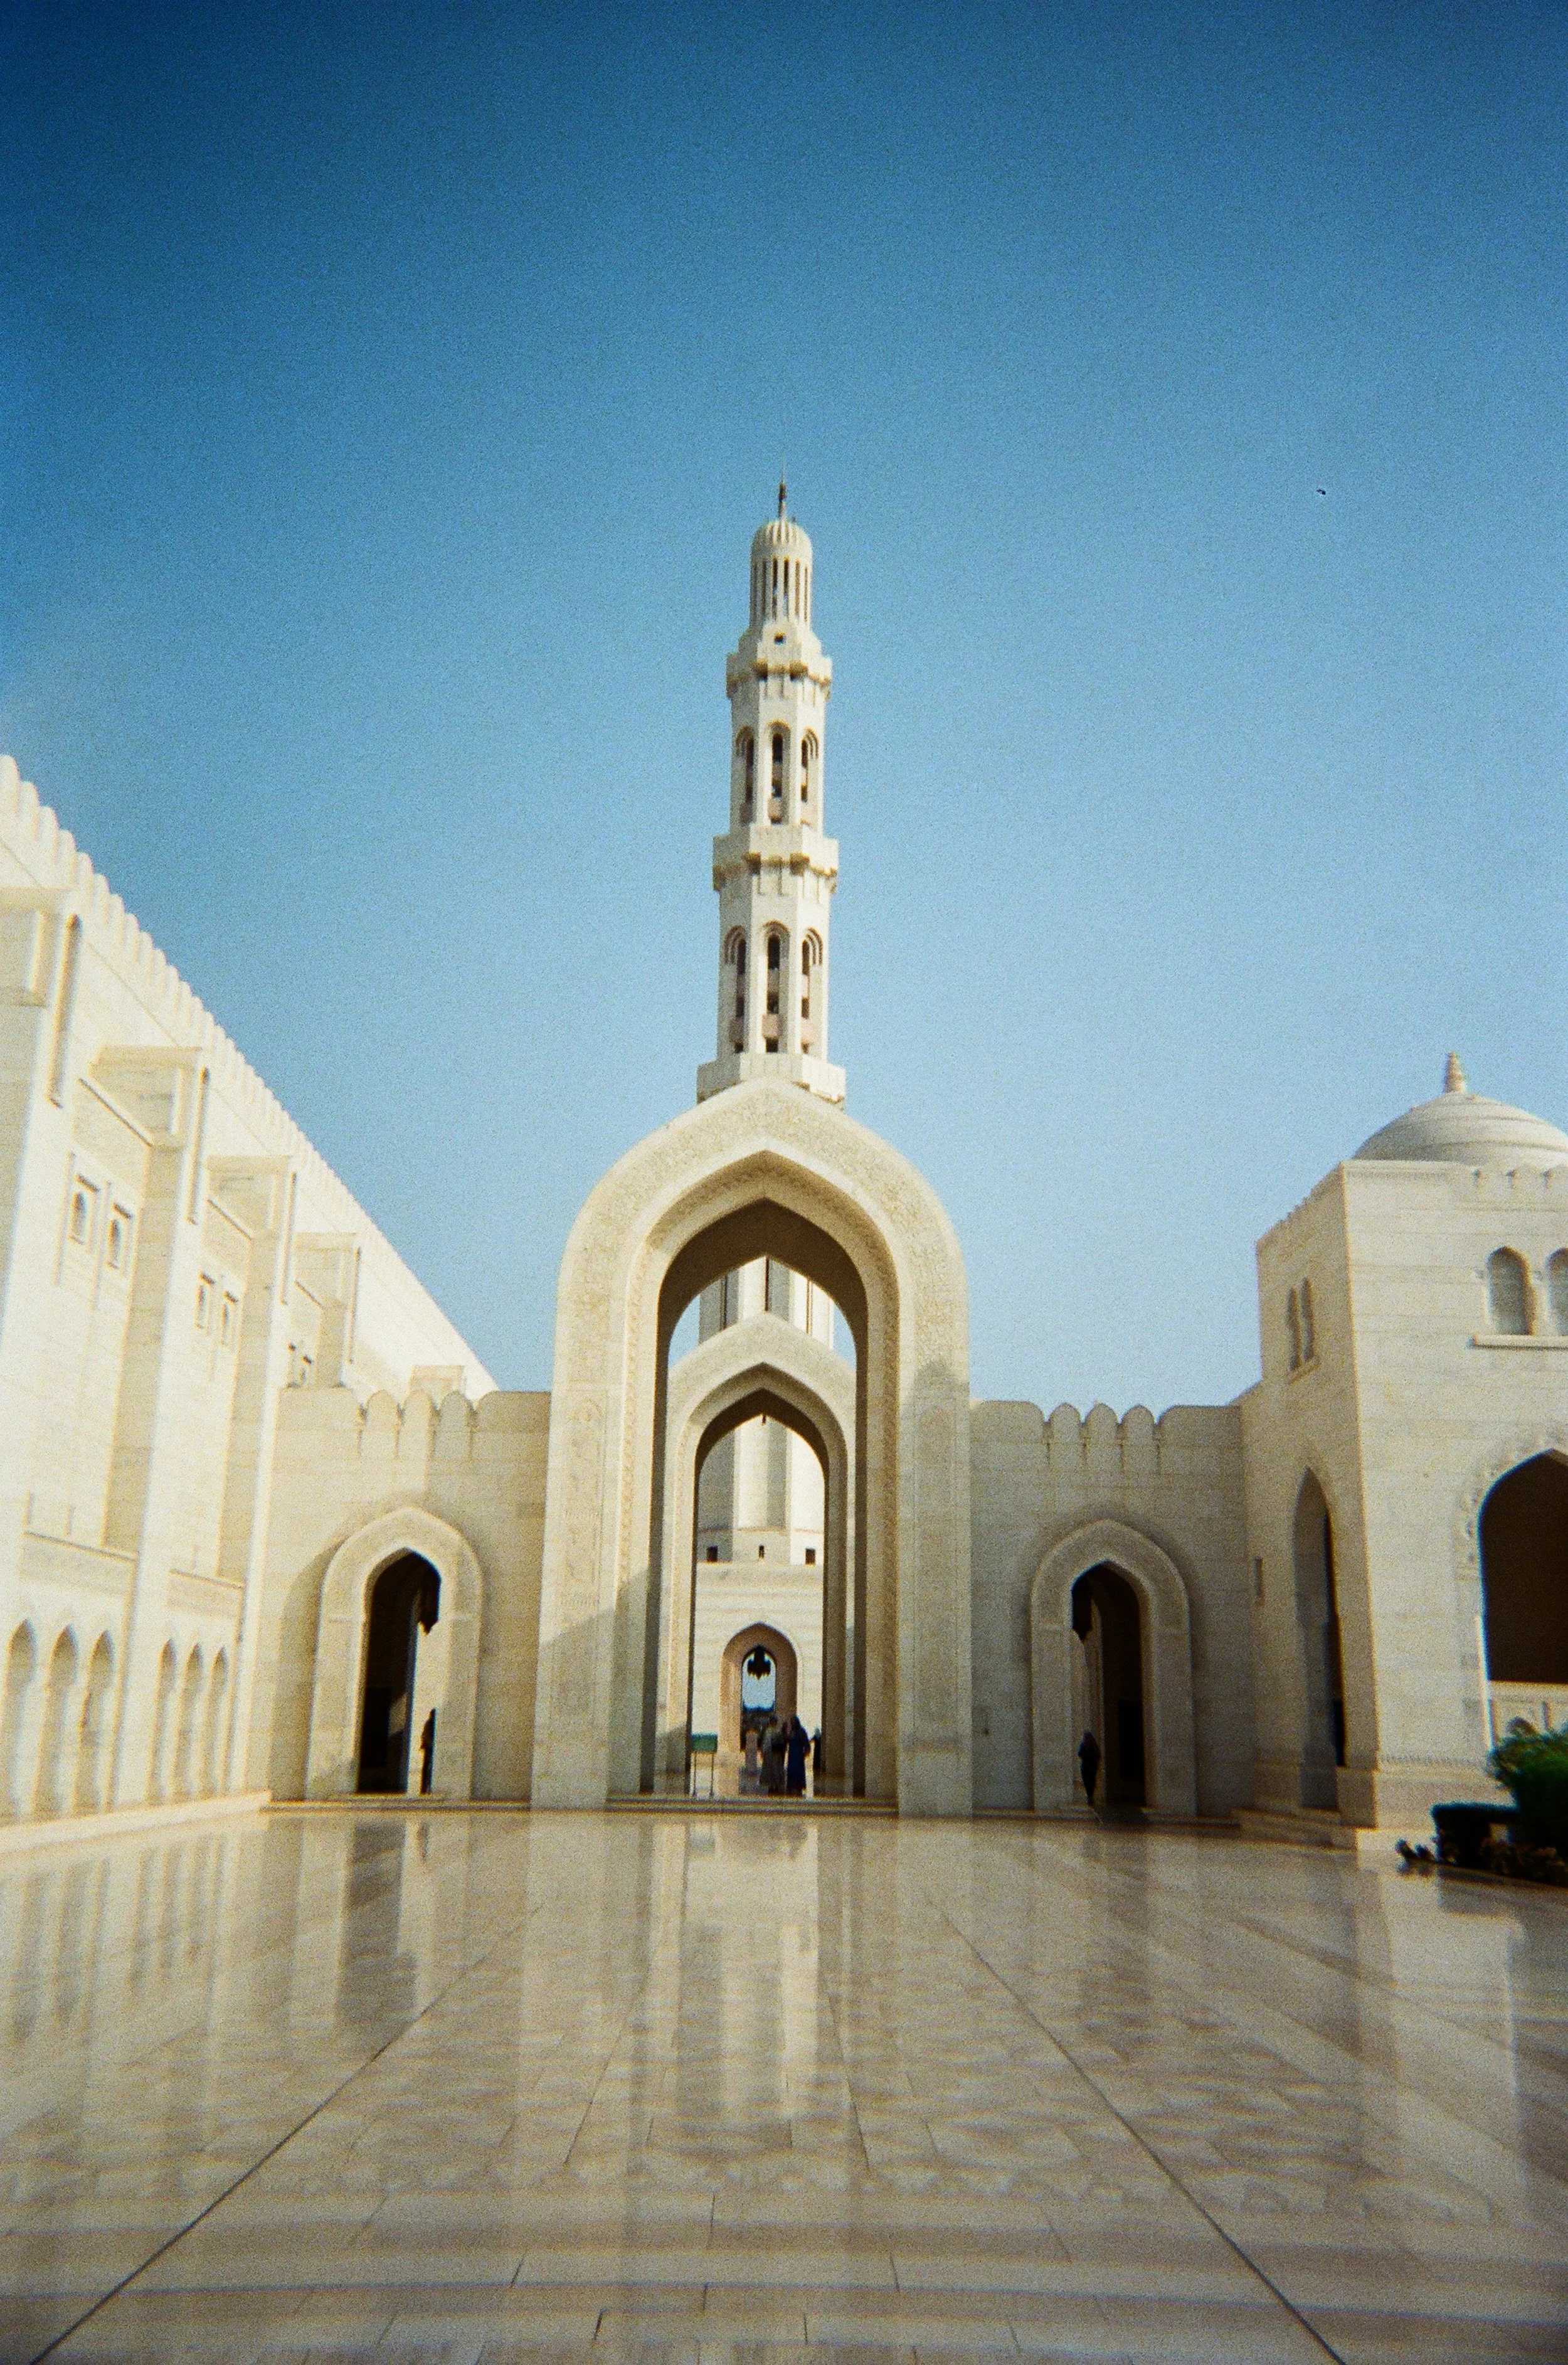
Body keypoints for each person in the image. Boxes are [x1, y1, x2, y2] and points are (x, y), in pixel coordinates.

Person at [785, 1714, 808, 1797]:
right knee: (791, 1770)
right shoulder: (792, 1732)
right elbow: (788, 1740)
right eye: (792, 1722)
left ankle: (799, 1786)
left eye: (794, 1722)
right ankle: (791, 1786)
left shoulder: (802, 1731)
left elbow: (806, 1743)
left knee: (798, 1771)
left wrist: (806, 1752)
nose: (793, 1723)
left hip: (798, 1755)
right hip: (792, 1754)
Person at [1078, 1728, 1101, 1807]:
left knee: (1090, 1781)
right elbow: (1080, 1754)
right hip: (1088, 1766)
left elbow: (1098, 1755)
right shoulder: (1084, 1745)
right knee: (1088, 1781)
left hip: (1090, 1766)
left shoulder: (1093, 1745)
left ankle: (1090, 1795)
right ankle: (1090, 1795)